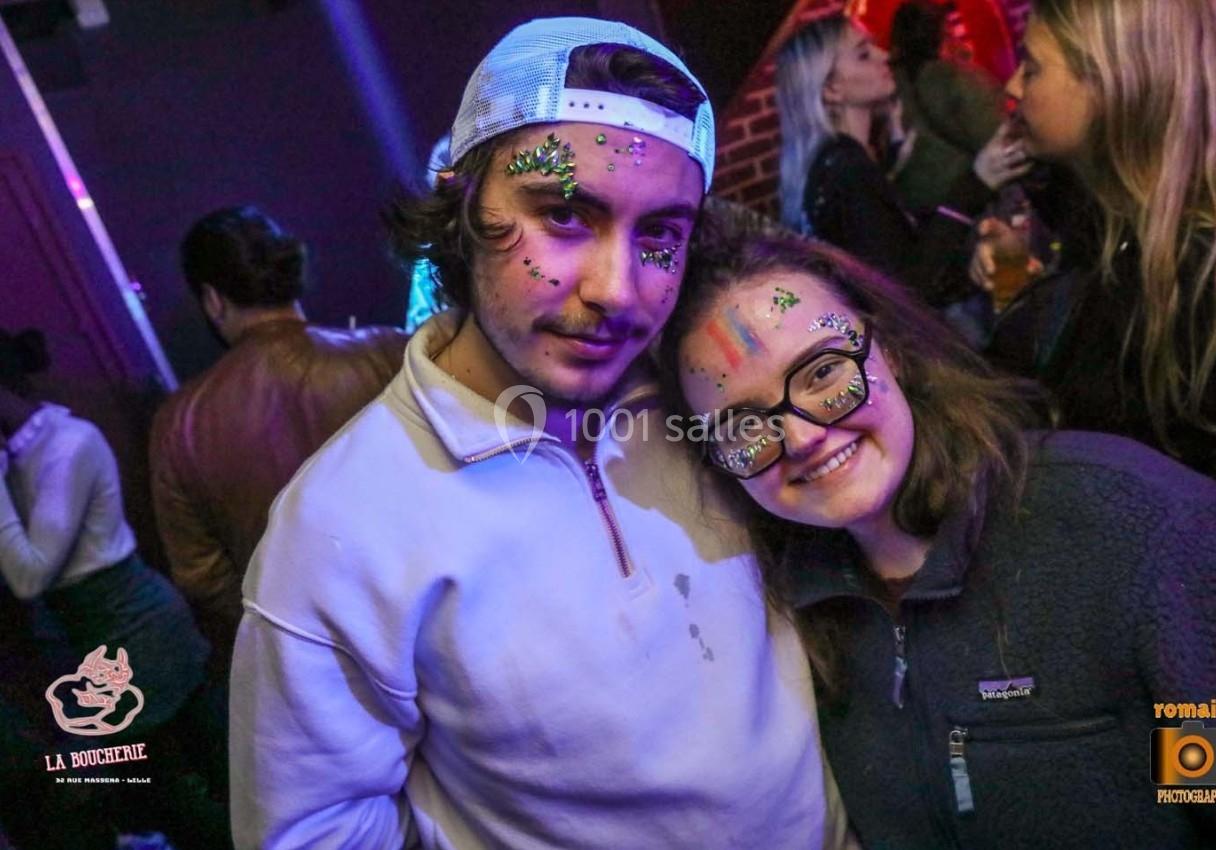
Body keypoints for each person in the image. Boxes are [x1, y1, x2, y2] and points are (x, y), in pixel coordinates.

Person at [229, 18, 852, 850]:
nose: (617, 289)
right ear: (461, 204)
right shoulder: (340, 525)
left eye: (659, 235)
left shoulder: (708, 400)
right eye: (563, 215)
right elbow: (311, 833)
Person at [656, 230, 1216, 849]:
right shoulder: (793, 624)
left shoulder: (1123, 528)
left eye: (823, 371)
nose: (800, 438)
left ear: (889, 350)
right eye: (744, 425)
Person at [973, 0, 1216, 512]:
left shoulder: (1214, 278)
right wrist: (1021, 290)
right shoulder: (1113, 225)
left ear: (1113, 85)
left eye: (1032, 67)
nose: (1012, 87)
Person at [0, 327, 231, 848]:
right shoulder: (17, 455)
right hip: (89, 641)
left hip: (136, 626)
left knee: (202, 784)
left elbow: (28, 575)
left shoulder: (66, 445)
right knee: (170, 792)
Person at [149, 206, 407, 669]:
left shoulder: (178, 424)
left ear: (213, 299)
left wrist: (298, 635)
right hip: (438, 622)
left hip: (319, 665)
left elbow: (202, 578)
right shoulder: (390, 354)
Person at [776, 13, 1029, 308]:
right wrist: (976, 182)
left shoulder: (834, 163)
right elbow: (906, 292)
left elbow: (896, 261)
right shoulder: (846, 170)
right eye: (863, 54)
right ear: (832, 89)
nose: (884, 55)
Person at [888, 0, 1006, 213]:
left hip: (911, 207)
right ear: (942, 33)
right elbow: (997, 139)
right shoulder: (956, 79)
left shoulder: (887, 85)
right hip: (966, 201)